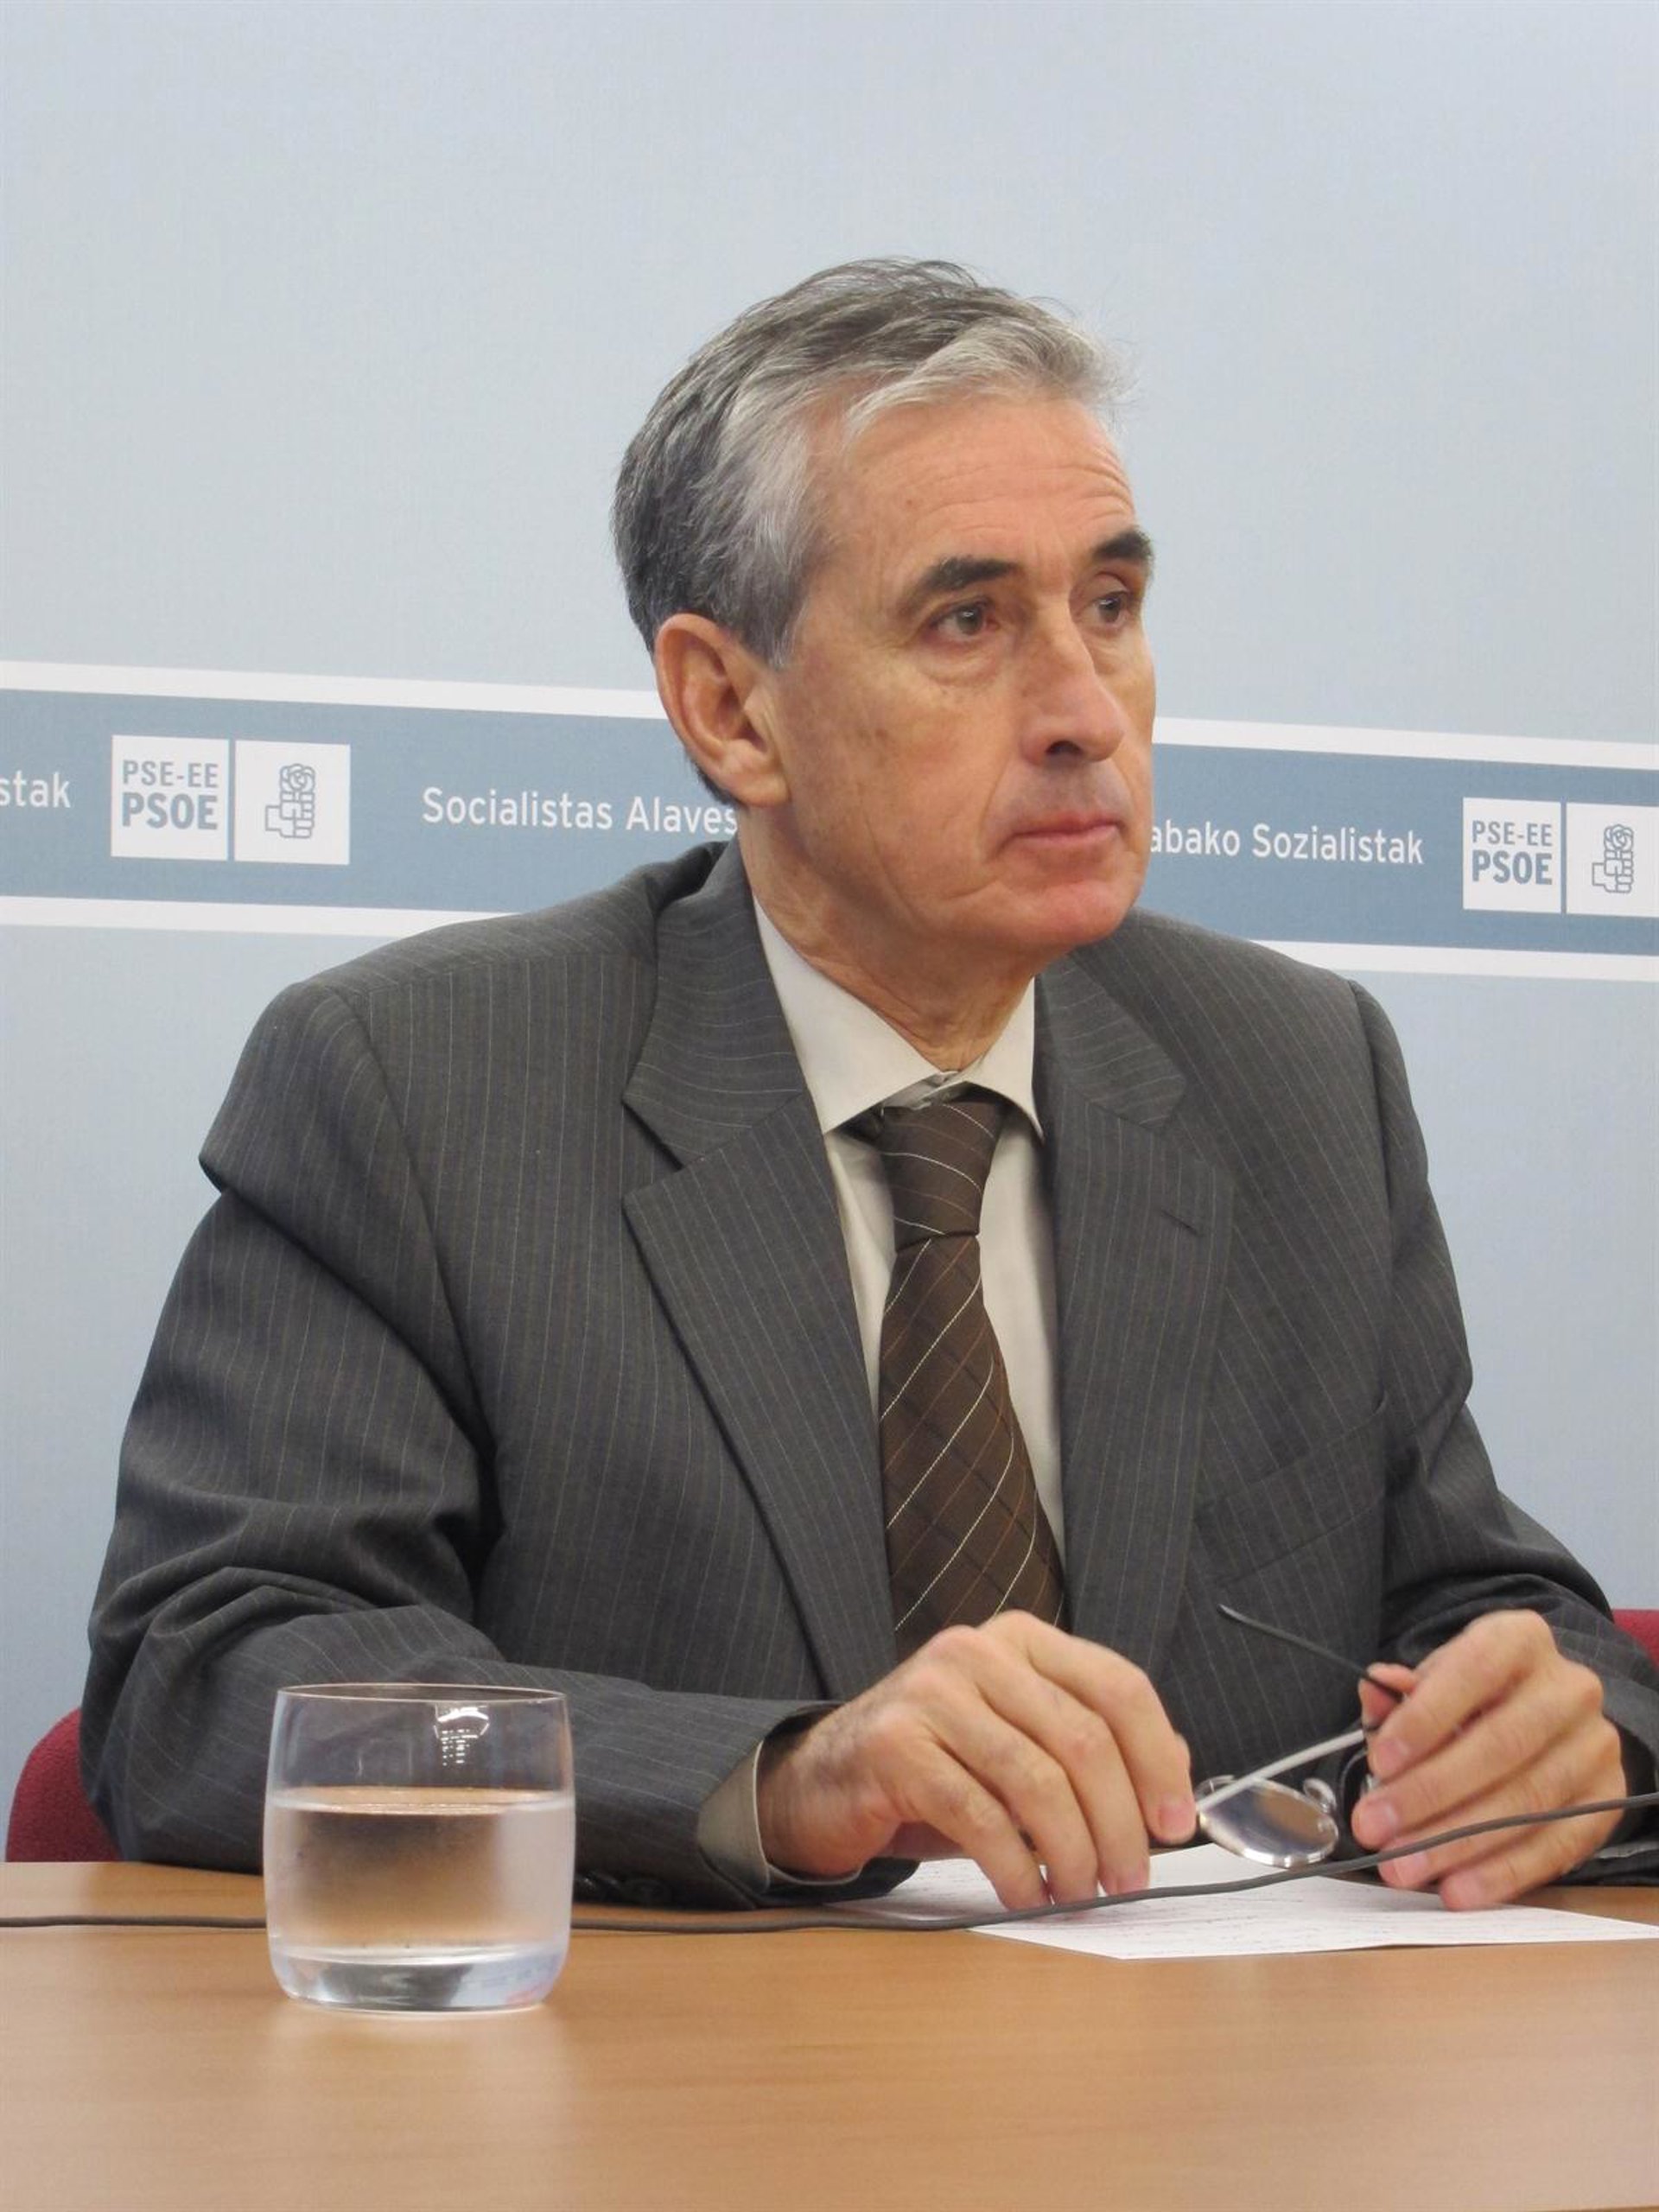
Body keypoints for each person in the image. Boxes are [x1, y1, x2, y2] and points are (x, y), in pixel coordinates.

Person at [85, 260, 1657, 1910]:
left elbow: (1486, 1606)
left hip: (1222, 2053)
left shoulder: (1299, 1073)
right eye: (967, 622)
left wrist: (1562, 1731)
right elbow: (212, 1681)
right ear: (729, 710)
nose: (1082, 712)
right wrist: (783, 1780)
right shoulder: (420, 1089)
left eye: (1111, 607)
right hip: (692, 2062)